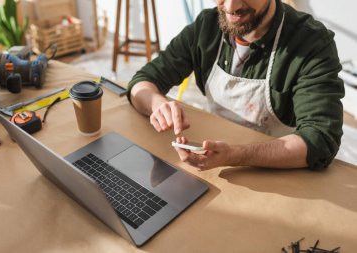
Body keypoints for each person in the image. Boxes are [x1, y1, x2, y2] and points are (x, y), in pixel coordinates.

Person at [127, 0, 344, 171]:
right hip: (215, 165)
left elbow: (320, 139)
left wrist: (236, 155)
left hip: (283, 169)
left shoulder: (311, 43)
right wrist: (156, 103)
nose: (231, 7)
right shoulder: (207, 27)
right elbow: (142, 82)